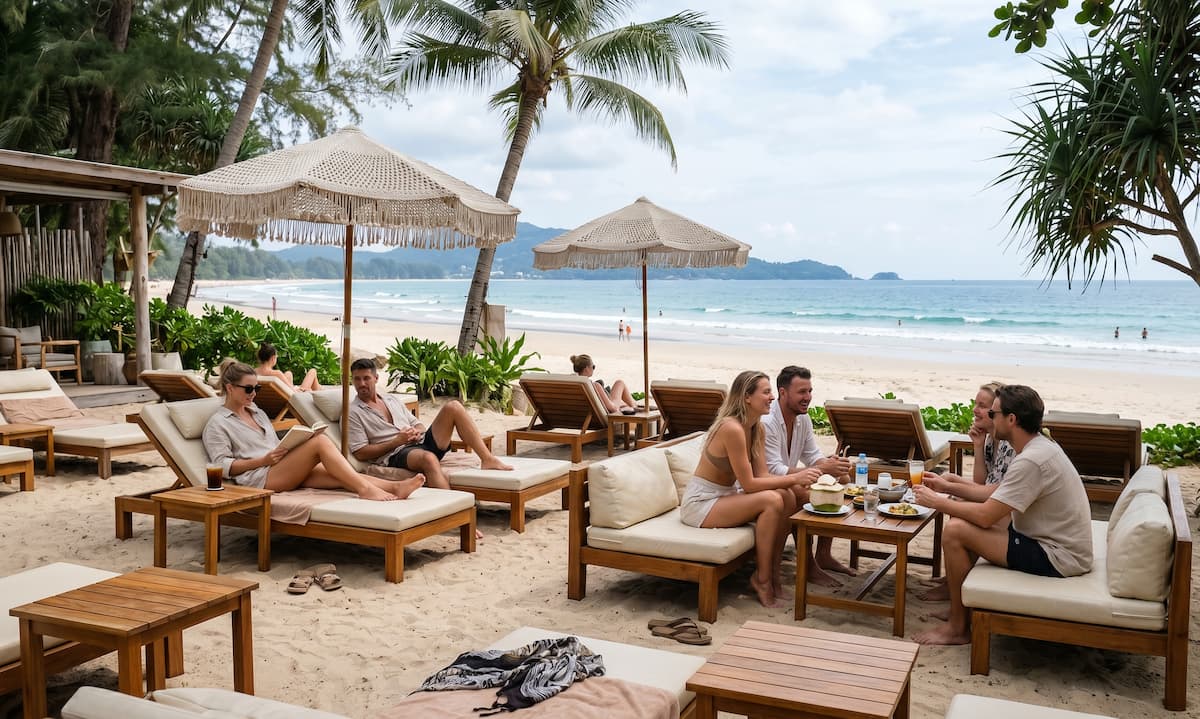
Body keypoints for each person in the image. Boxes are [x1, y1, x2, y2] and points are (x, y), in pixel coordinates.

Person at [911, 385, 1093, 646]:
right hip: (1052, 543)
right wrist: (947, 487)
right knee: (964, 521)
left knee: (955, 531)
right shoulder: (1037, 448)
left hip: (1057, 556)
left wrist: (937, 502)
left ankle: (958, 628)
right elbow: (997, 495)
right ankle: (958, 612)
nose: (989, 418)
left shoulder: (1031, 459)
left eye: (993, 413)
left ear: (1011, 419)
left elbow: (985, 516)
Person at [679, 370, 815, 609]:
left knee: (786, 495)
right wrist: (798, 476)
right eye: (766, 392)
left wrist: (795, 481)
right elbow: (751, 483)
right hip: (701, 503)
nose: (772, 397)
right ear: (747, 398)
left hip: (725, 497)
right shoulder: (731, 428)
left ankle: (773, 573)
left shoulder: (756, 428)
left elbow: (763, 475)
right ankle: (762, 579)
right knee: (772, 500)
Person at [202, 359, 422, 501]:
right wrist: (264, 460)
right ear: (230, 388)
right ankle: (366, 491)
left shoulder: (256, 411)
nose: (254, 393)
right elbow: (222, 466)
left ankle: (395, 488)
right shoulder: (218, 424)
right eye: (249, 388)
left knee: (340, 475)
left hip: (279, 467)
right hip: (260, 478)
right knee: (321, 443)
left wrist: (291, 445)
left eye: (257, 388)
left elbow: (269, 445)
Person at [347, 359, 512, 493]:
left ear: (375, 378)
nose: (361, 383)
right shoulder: (353, 413)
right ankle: (452, 512)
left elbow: (416, 423)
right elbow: (360, 452)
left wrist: (417, 432)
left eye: (366, 378)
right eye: (357, 379)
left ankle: (488, 459)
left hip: (419, 442)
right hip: (396, 453)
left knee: (453, 406)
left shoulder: (391, 399)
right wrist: (396, 441)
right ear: (352, 380)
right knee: (428, 458)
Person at [916, 381, 1014, 601]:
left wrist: (945, 490)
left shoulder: (1008, 444)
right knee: (950, 480)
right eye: (975, 403)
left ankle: (954, 581)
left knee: (957, 505)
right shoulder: (990, 438)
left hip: (1007, 512)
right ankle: (953, 574)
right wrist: (978, 446)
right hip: (997, 499)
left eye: (982, 405)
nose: (975, 410)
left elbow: (991, 492)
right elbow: (981, 481)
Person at [761, 366, 854, 587]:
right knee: (804, 493)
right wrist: (823, 470)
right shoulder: (767, 423)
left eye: (810, 391)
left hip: (784, 481)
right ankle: (809, 565)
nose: (808, 397)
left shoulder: (803, 419)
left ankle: (824, 554)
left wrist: (834, 466)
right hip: (763, 484)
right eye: (802, 392)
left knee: (840, 483)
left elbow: (813, 456)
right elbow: (774, 470)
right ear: (783, 393)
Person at [571, 354, 636, 414]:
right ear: (586, 368)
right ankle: (635, 409)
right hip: (606, 416)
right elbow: (613, 409)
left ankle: (633, 406)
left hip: (580, 416)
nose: (593, 369)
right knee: (619, 383)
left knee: (623, 403)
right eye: (593, 367)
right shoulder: (595, 386)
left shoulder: (572, 384)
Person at [255, 343, 320, 392]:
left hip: (274, 399)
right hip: (295, 398)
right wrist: (298, 389)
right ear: (272, 358)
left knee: (288, 374)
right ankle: (321, 399)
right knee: (312, 371)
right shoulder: (276, 374)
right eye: (276, 357)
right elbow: (292, 391)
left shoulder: (253, 372)